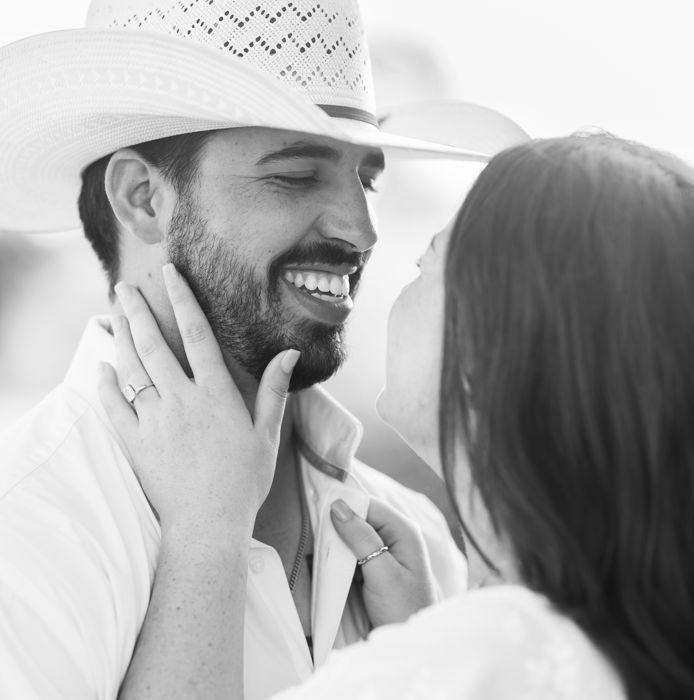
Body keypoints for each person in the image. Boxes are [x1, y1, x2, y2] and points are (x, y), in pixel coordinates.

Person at [0, 1, 530, 698]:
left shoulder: (415, 545)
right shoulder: (29, 527)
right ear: (142, 199)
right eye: (296, 176)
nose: (361, 229)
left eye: (367, 179)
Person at [101, 134, 694, 699]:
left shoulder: (482, 659)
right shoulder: (596, 641)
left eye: (427, 262)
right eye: (296, 176)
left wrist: (205, 531)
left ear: (498, 343)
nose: (364, 234)